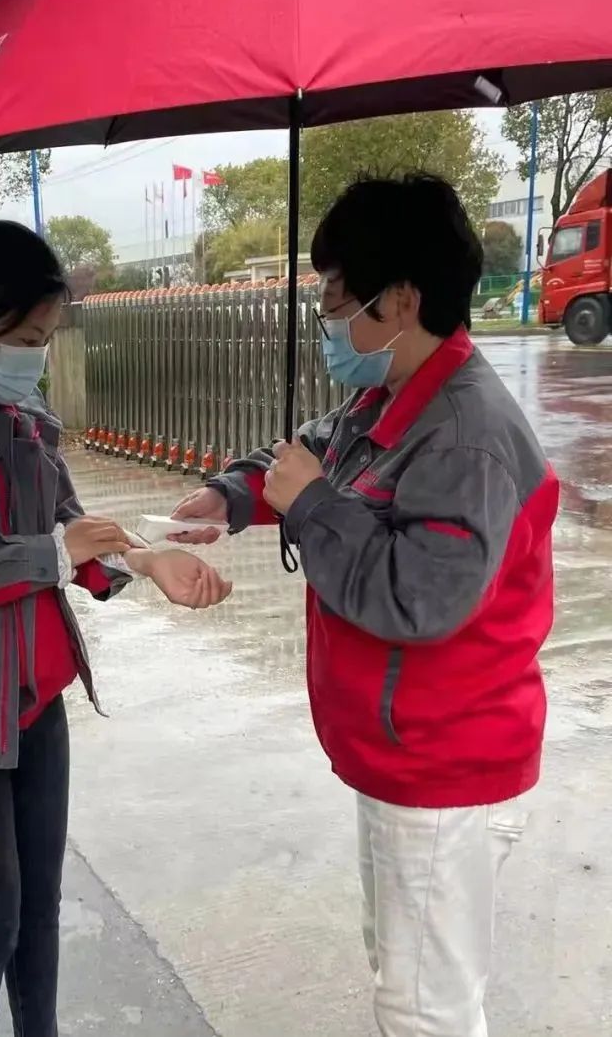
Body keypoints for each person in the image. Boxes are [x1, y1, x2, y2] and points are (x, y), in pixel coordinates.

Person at [172, 174, 558, 1037]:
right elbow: (310, 456)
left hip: (444, 762)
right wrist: (233, 496)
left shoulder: (465, 439)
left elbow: (416, 599)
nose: (327, 321)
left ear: (403, 300)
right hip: (398, 754)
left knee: (424, 1008)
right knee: (402, 970)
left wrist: (312, 507)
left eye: (337, 300)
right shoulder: (390, 400)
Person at [0, 203, 231, 1037]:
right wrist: (51, 553)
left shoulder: (23, 416)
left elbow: (68, 526)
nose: (36, 358)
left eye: (46, 339)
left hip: (35, 703)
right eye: (27, 339)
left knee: (39, 914)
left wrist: (144, 559)